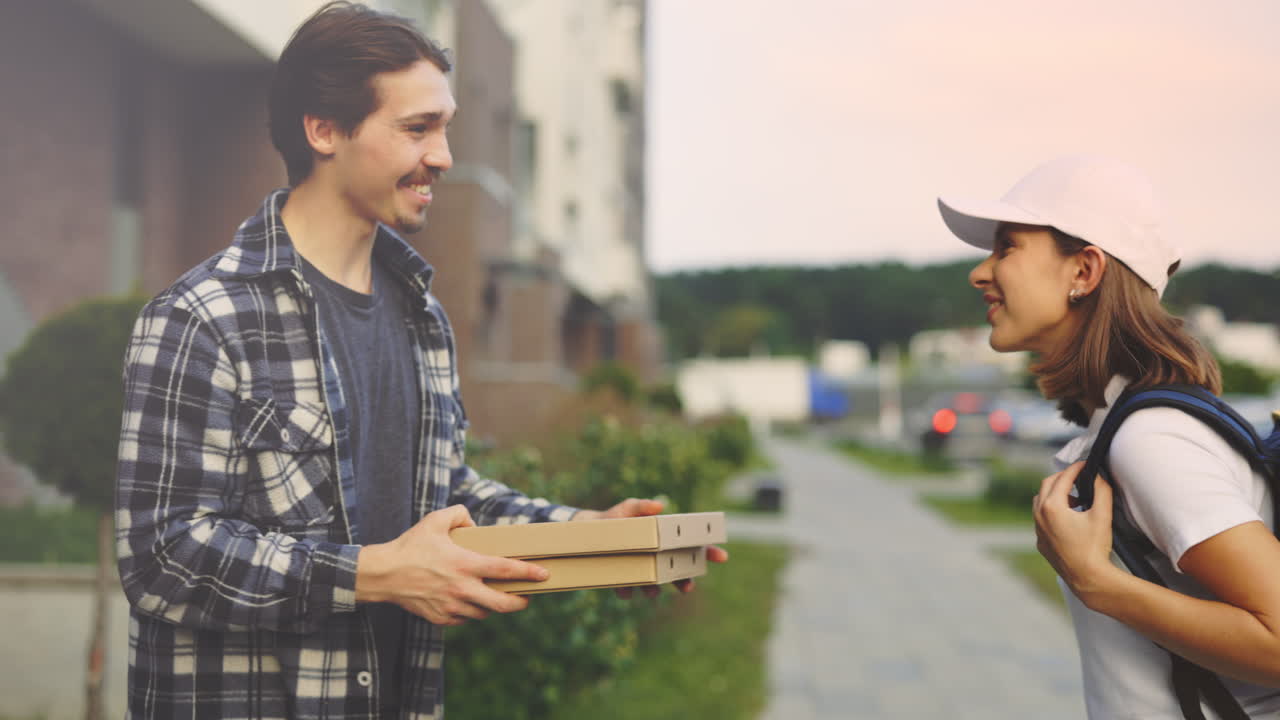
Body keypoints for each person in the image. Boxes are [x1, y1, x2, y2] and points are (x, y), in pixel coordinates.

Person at [114, 3, 725, 718]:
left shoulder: (421, 316)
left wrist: (588, 537)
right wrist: (375, 575)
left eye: (444, 127)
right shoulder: (200, 318)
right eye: (417, 129)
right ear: (324, 130)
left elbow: (443, 494)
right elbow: (161, 557)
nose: (444, 155)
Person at [937, 154, 1280, 718]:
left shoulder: (1152, 440)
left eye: (1007, 248)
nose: (980, 273)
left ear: (1084, 272)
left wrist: (1098, 583)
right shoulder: (1129, 426)